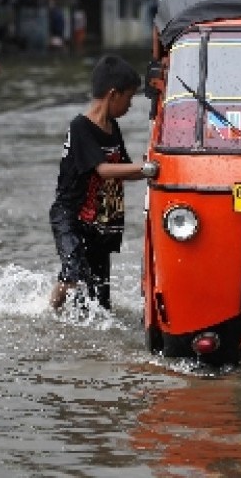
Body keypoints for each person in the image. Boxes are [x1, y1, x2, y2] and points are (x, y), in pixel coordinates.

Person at [49, 54, 154, 311]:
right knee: (73, 272)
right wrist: (147, 168)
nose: (130, 105)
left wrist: (152, 166)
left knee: (100, 301)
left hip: (100, 223)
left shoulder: (113, 127)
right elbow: (104, 169)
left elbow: (123, 170)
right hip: (72, 218)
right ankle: (51, 312)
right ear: (113, 94)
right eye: (129, 98)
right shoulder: (81, 127)